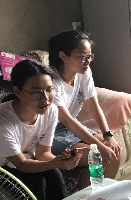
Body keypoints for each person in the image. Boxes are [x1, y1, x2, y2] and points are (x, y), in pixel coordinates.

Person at [0, 59, 81, 200]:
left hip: (16, 161)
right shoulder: (0, 121)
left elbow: (43, 154)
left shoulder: (51, 111)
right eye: (36, 92)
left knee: (53, 173)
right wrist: (54, 163)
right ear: (18, 92)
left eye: (49, 89)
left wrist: (62, 160)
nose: (45, 98)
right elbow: (22, 164)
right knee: (36, 181)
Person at [47, 30, 122, 188]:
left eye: (89, 56)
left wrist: (107, 135)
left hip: (70, 128)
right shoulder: (51, 82)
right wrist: (100, 147)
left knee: (114, 151)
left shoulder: (84, 72)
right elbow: (67, 120)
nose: (87, 62)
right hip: (49, 133)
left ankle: (104, 195)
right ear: (63, 56)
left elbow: (94, 106)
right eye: (82, 56)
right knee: (97, 155)